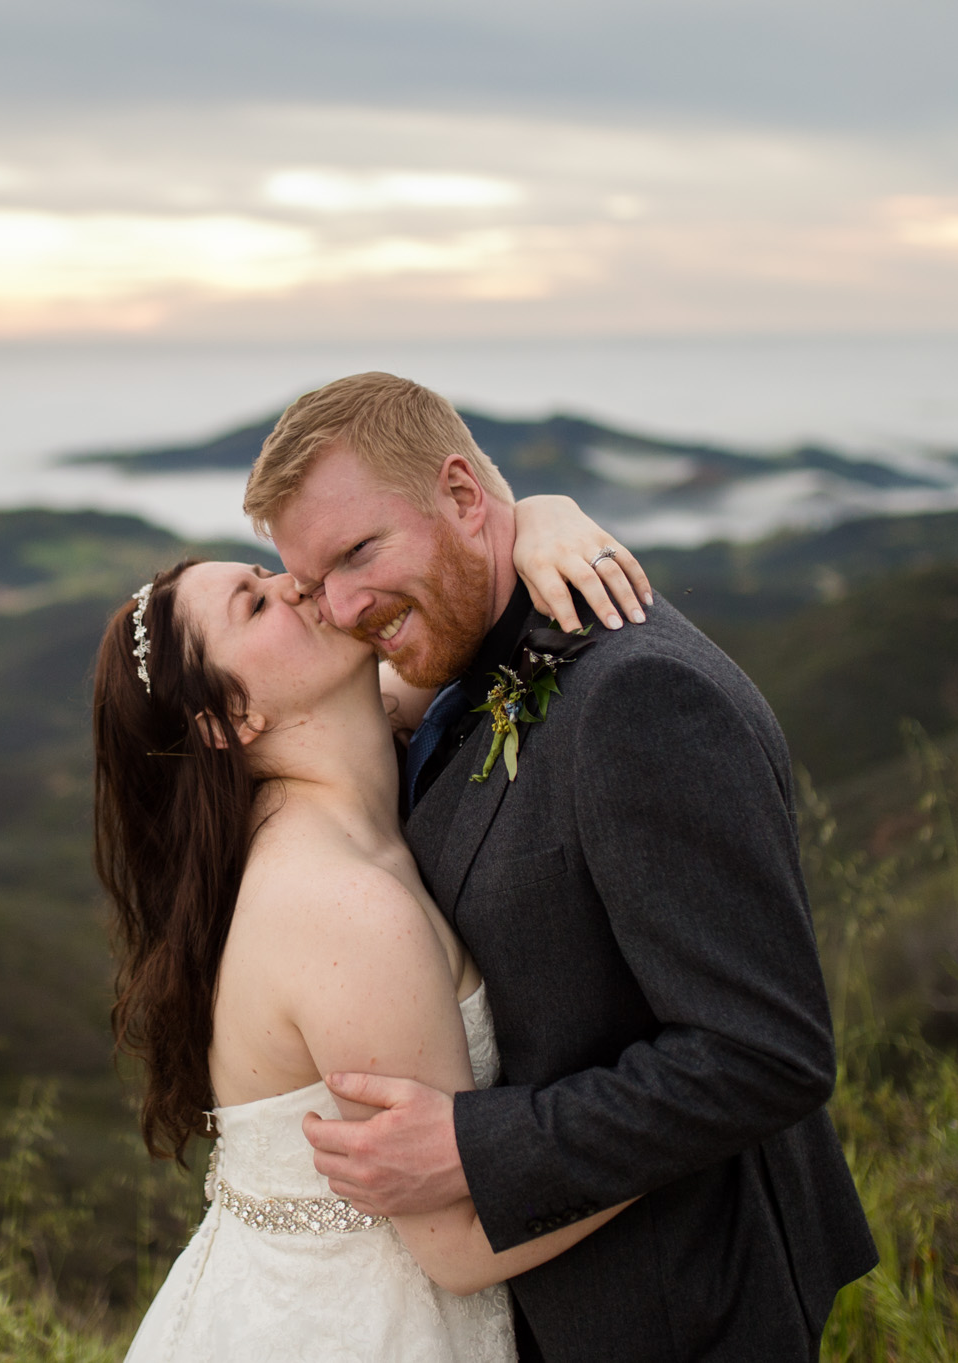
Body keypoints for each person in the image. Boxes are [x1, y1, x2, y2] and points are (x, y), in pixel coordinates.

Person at [256, 373, 878, 1362]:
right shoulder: (465, 655)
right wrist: (539, 510)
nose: (341, 605)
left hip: (677, 1309)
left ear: (462, 496)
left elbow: (766, 1053)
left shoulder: (641, 698)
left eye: (358, 551)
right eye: (312, 577)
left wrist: (472, 1145)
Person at [94, 497, 647, 1362]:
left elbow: (464, 595)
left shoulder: (363, 756)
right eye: (256, 603)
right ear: (232, 720)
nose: (299, 587)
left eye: (267, 572)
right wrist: (694, 1117)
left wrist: (540, 516)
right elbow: (458, 1244)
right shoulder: (339, 907)